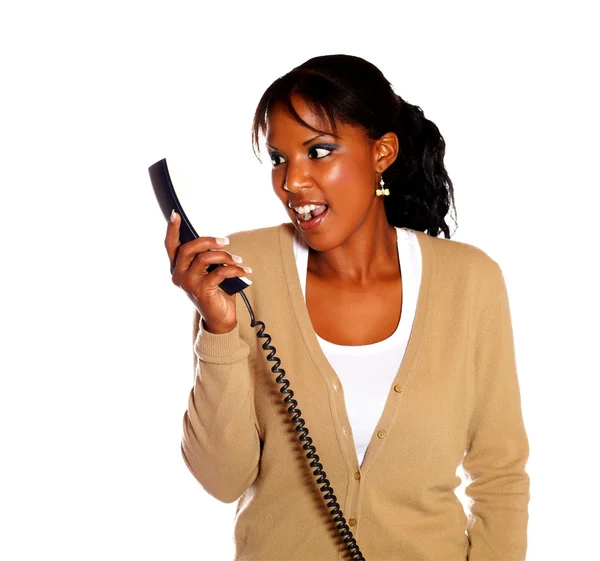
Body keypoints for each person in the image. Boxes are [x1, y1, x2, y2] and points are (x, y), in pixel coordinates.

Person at [165, 54, 530, 560]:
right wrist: (219, 332)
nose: (292, 182)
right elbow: (223, 479)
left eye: (319, 151)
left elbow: (501, 474)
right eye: (278, 159)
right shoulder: (239, 275)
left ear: (382, 153)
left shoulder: (469, 281)